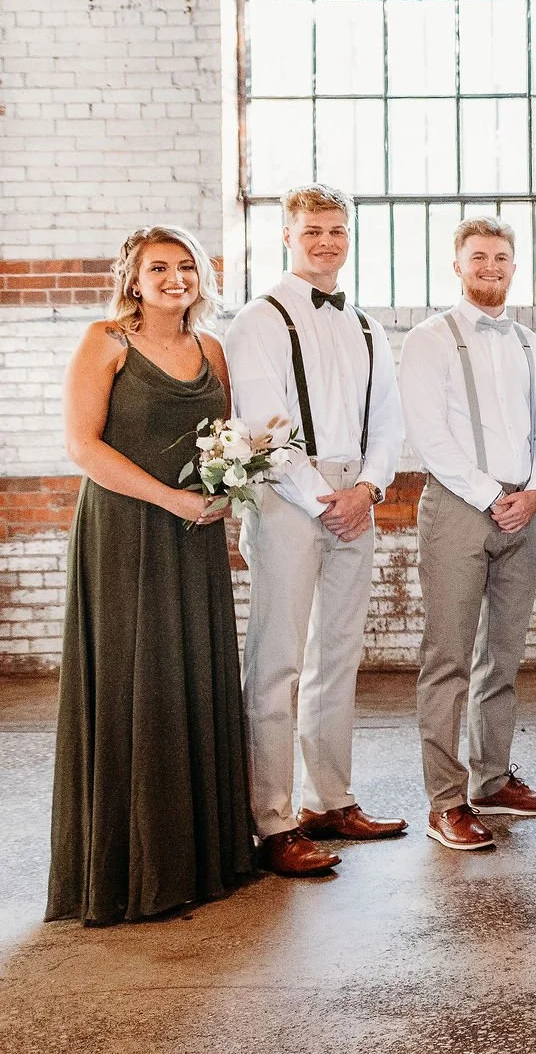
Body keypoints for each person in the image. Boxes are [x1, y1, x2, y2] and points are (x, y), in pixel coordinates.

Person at [47, 226, 257, 923]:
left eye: (186, 265)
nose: (176, 277)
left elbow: (227, 442)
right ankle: (130, 870)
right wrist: (170, 498)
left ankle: (199, 857)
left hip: (194, 539)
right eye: (158, 267)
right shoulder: (105, 341)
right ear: (131, 279)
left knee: (189, 680)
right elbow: (83, 446)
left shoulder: (213, 350)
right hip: (126, 534)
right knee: (133, 682)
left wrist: (227, 490)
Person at [225, 184, 406, 876]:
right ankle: (272, 821)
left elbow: (387, 418)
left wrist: (368, 488)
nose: (326, 241)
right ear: (287, 235)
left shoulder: (365, 323)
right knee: (277, 662)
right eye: (312, 230)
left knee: (338, 654)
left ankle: (329, 799)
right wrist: (323, 496)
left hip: (354, 491)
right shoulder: (258, 319)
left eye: (337, 229)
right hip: (286, 496)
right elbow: (265, 425)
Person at [400, 216, 536, 853]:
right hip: (460, 507)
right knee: (447, 657)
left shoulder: (530, 344)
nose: (490, 266)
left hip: (522, 511)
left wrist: (535, 492)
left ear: (514, 266)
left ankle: (493, 780)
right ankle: (447, 800)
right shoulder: (427, 339)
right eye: (478, 257)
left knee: (504, 653)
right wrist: (492, 495)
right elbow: (429, 436)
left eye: (501, 257)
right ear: (458, 265)